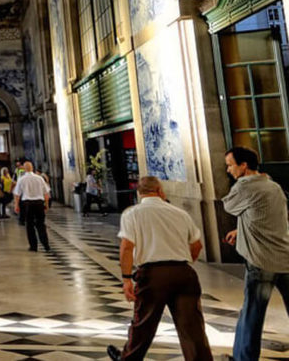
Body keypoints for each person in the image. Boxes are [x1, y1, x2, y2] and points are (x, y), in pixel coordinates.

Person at [106, 176, 212, 361]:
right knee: (192, 327)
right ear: (160, 190)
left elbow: (127, 247)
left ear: (139, 193)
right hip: (183, 273)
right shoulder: (180, 213)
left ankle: (128, 359)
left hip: (152, 275)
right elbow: (196, 246)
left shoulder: (132, 214)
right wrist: (182, 264)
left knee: (144, 323)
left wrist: (126, 279)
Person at [222, 146, 289, 361]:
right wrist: (240, 229)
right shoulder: (274, 186)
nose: (228, 170)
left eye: (231, 165)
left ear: (243, 166)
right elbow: (268, 217)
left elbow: (229, 206)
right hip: (285, 258)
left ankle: (243, 358)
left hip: (261, 263)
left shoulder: (244, 186)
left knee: (252, 315)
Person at [13, 161, 50, 251]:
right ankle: (46, 245)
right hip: (39, 203)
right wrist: (46, 204)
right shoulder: (39, 178)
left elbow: (17, 194)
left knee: (29, 225)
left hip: (27, 204)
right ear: (32, 168)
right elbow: (46, 193)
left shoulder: (21, 179)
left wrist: (16, 205)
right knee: (41, 224)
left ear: (24, 169)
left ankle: (34, 246)